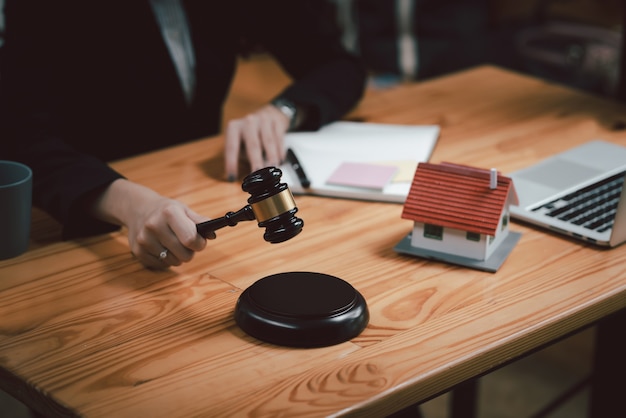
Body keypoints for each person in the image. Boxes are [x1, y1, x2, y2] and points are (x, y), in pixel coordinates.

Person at [0, 0, 366, 269]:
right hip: (84, 206)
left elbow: (337, 63)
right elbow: (20, 138)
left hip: (194, 185)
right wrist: (132, 205)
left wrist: (283, 111)